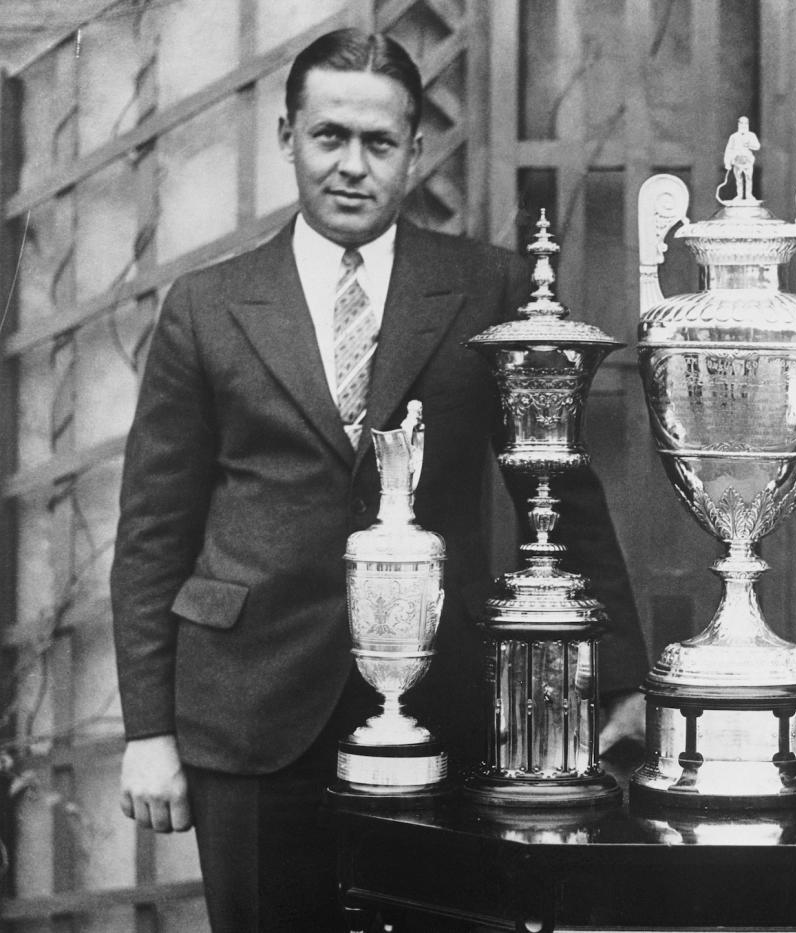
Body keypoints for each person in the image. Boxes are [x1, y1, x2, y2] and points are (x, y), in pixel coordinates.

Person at [110, 28, 648, 933]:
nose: (351, 166)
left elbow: (560, 493)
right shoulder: (207, 306)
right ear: (288, 137)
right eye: (328, 138)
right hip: (250, 710)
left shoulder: (488, 288)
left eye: (378, 143)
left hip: (449, 706)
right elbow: (153, 532)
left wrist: (623, 673)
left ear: (413, 150)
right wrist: (148, 730)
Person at [722, 116, 760, 202]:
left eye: (746, 123)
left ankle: (749, 195)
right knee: (738, 179)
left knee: (749, 178)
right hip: (737, 161)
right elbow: (729, 149)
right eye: (742, 123)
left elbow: (757, 146)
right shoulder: (734, 137)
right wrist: (727, 163)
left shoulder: (751, 135)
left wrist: (750, 144)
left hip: (747, 161)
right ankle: (739, 195)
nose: (744, 125)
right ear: (738, 124)